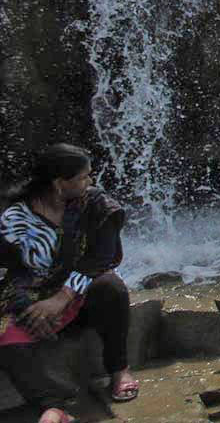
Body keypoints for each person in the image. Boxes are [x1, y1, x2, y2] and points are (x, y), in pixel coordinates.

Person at [0, 144, 138, 423]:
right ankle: (52, 406)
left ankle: (119, 369)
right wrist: (30, 308)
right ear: (59, 183)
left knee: (111, 287)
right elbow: (12, 271)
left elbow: (102, 258)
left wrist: (60, 299)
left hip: (82, 291)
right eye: (83, 177)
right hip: (34, 292)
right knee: (7, 339)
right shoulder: (15, 215)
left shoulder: (98, 205)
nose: (90, 182)